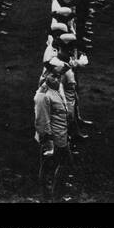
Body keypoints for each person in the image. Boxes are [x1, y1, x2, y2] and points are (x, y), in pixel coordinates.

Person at [35, 58, 73, 201]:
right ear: (46, 75)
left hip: (61, 135)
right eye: (53, 76)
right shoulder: (43, 95)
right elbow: (42, 122)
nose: (56, 79)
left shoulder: (56, 88)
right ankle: (49, 197)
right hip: (52, 139)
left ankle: (54, 194)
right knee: (49, 167)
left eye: (58, 76)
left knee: (60, 165)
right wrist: (49, 144)